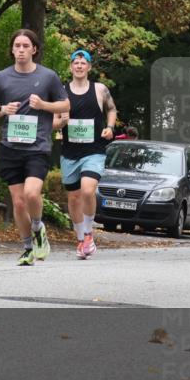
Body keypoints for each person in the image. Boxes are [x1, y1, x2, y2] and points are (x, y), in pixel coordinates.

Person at [0, 29, 69, 266]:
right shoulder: (2, 77)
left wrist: (43, 105)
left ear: (34, 49)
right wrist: (3, 109)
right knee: (19, 202)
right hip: (10, 147)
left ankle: (38, 227)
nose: (21, 50)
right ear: (12, 50)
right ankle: (28, 248)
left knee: (31, 193)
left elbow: (65, 105)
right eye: (17, 46)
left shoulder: (48, 76)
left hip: (37, 146)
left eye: (25, 46)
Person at [53, 50, 117, 259]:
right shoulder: (61, 92)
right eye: (76, 63)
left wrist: (109, 127)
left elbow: (111, 109)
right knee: (73, 197)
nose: (79, 66)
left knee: (88, 191)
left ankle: (89, 234)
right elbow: (53, 121)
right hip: (70, 153)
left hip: (94, 151)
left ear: (89, 67)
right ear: (71, 67)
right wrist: (61, 123)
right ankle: (80, 239)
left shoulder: (100, 89)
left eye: (83, 63)